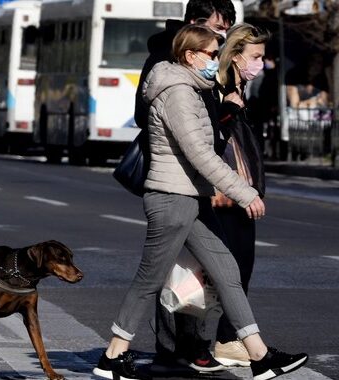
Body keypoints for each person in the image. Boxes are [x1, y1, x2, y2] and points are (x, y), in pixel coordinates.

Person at [93, 24, 308, 380]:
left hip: (190, 199)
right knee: (149, 280)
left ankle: (259, 356)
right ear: (190, 55)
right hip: (172, 199)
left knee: (227, 272)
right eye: (210, 53)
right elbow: (200, 154)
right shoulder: (177, 92)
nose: (215, 60)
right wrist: (244, 192)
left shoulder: (192, 89)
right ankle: (113, 355)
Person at [134, 0, 237, 372]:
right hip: (176, 180)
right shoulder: (168, 61)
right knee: (171, 268)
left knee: (201, 267)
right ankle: (177, 347)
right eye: (217, 29)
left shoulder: (213, 62)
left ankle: (192, 345)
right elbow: (149, 118)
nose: (221, 39)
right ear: (195, 25)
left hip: (197, 180)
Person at [211, 23, 269, 367]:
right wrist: (228, 109)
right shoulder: (218, 89)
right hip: (224, 193)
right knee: (229, 269)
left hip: (239, 192)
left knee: (240, 265)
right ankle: (224, 339)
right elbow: (207, 139)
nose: (260, 63)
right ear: (235, 56)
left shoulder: (240, 88)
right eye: (256, 56)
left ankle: (226, 338)